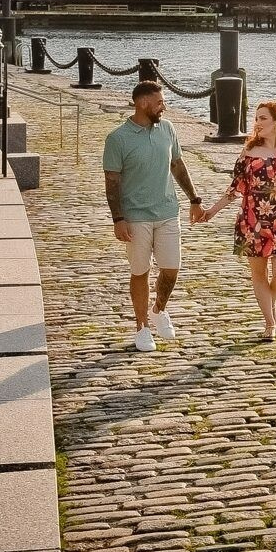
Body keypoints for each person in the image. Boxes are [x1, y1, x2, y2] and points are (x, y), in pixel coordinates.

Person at [103, 81, 207, 352]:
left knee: (171, 268)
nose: (164, 106)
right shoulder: (117, 139)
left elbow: (177, 165)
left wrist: (194, 200)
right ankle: (142, 327)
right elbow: (112, 183)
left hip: (167, 211)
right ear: (142, 103)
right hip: (135, 216)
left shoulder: (168, 129)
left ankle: (158, 310)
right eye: (159, 102)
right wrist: (118, 219)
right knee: (140, 271)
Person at [201, 100, 276, 341]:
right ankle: (270, 323)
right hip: (251, 220)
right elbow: (235, 188)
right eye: (256, 118)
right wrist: (212, 211)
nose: (257, 123)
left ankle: (270, 303)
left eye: (263, 118)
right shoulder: (248, 152)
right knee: (258, 274)